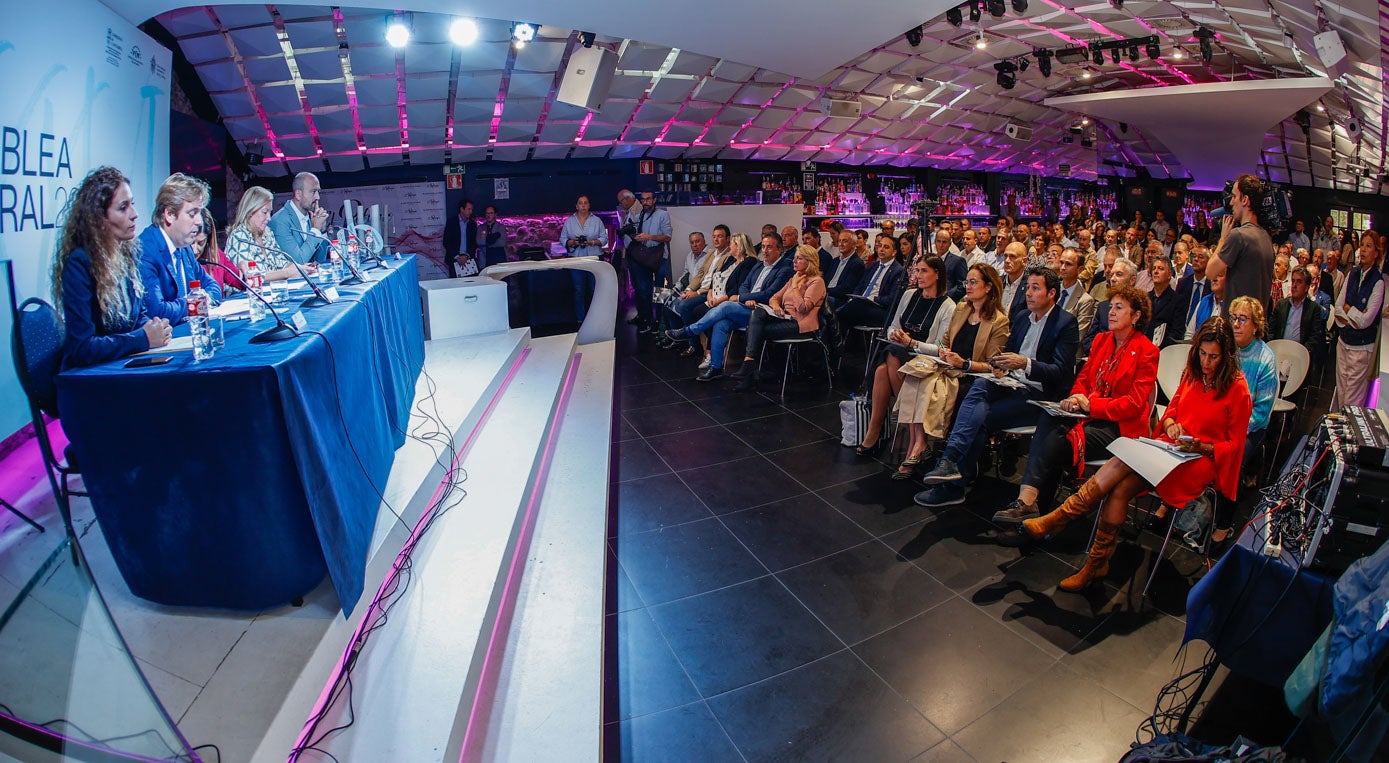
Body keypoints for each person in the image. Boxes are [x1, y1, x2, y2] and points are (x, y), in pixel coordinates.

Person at [1009, 318, 1252, 590]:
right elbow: (1170, 412)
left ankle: (1060, 519)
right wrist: (1171, 425)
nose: (1206, 362)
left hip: (1202, 460)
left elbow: (1235, 446)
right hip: (1173, 448)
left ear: (1227, 356)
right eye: (1202, 354)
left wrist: (1201, 447)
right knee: (1121, 483)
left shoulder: (1237, 387)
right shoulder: (1193, 373)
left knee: (1123, 466)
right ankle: (1095, 562)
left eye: (1214, 357)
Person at [914, 267, 1080, 508]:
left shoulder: (1065, 323)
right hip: (1012, 383)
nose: (1029, 294)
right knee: (981, 385)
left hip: (1040, 394)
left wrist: (1026, 363)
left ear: (1052, 293)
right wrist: (999, 365)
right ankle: (952, 464)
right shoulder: (1023, 317)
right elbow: (1005, 354)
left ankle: (953, 478)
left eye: (1036, 288)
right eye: (1028, 288)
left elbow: (1061, 373)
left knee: (978, 415)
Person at [993, 286, 1159, 525]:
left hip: (1119, 427)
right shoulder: (1102, 340)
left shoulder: (1147, 352)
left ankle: (1032, 509)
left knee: (1056, 444)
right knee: (1049, 420)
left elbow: (1133, 404)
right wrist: (1075, 399)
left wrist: (1091, 405)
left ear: (1136, 316)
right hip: (1087, 415)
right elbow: (1083, 378)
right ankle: (1031, 508)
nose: (1111, 312)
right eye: (1111, 306)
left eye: (1119, 308)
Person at [892, 265, 1011, 477]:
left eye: (974, 282)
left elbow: (994, 365)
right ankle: (918, 442)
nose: (968, 287)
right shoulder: (962, 308)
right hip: (948, 365)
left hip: (971, 374)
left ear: (989, 287)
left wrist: (964, 363)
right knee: (915, 373)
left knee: (927, 382)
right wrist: (945, 353)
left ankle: (920, 445)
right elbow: (944, 341)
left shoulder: (998, 322)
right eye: (967, 282)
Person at [52, 166, 172, 367]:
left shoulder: (127, 253)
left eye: (132, 204)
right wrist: (142, 338)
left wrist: (155, 329)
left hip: (121, 365)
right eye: (123, 207)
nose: (134, 214)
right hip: (93, 379)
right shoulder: (80, 263)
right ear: (99, 218)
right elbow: (82, 349)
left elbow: (137, 318)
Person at [855, 257, 954, 463]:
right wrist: (896, 335)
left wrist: (912, 344)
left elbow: (941, 348)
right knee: (888, 359)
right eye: (917, 270)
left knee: (888, 361)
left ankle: (878, 431)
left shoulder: (948, 306)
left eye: (924, 271)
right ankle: (905, 426)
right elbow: (892, 325)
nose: (918, 276)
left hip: (924, 357)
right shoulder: (909, 295)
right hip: (900, 350)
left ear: (938, 274)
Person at [665, 232, 792, 381]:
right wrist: (745, 299)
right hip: (746, 307)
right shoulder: (759, 265)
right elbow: (744, 285)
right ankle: (716, 367)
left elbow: (768, 294)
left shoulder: (784, 268)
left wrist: (740, 297)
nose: (764, 250)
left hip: (764, 311)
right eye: (763, 247)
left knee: (725, 306)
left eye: (769, 247)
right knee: (721, 323)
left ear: (779, 250)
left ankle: (689, 331)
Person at [1216, 296, 1279, 542]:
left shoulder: (1265, 359)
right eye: (1233, 318)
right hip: (1220, 422)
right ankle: (1174, 506)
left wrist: (1229, 430)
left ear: (1256, 325)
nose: (1237, 324)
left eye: (1243, 319)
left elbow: (1262, 411)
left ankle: (1223, 524)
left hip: (1250, 428)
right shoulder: (1225, 350)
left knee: (1232, 458)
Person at [731, 246, 828, 391]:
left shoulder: (816, 281)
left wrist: (795, 287)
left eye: (799, 258)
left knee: (756, 330)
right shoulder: (794, 277)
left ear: (810, 261)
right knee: (757, 314)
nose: (794, 261)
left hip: (800, 324)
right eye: (795, 257)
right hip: (785, 318)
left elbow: (803, 308)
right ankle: (750, 364)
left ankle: (750, 371)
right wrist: (776, 306)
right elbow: (774, 297)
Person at [137, 173, 221, 324]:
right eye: (192, 214)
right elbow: (157, 312)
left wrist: (200, 300)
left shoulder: (183, 248)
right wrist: (196, 303)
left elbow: (213, 286)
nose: (199, 221)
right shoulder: (145, 250)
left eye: (199, 213)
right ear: (169, 214)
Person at [1205, 174, 1275, 313]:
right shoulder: (1266, 237)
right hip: (1254, 326)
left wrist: (1223, 238)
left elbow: (1210, 272)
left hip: (1236, 325)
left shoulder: (1238, 236)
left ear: (1245, 200)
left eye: (1234, 196)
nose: (1231, 203)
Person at [1332, 231, 1383, 408]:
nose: (1363, 250)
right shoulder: (1352, 274)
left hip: (1361, 350)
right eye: (1362, 245)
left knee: (1352, 401)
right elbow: (1338, 307)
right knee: (1341, 394)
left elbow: (1365, 321)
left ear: (1376, 253)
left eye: (1368, 246)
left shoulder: (1378, 282)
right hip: (1343, 343)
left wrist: (1349, 309)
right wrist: (1353, 313)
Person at [835, 233, 904, 342]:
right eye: (880, 246)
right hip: (861, 304)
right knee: (847, 309)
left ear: (894, 252)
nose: (881, 249)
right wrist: (856, 297)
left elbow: (892, 299)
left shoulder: (898, 271)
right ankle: (842, 347)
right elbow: (860, 286)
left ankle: (838, 347)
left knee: (839, 315)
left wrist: (872, 299)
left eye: (886, 247)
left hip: (880, 309)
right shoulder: (873, 265)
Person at [225, 186, 300, 282]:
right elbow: (251, 277)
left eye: (270, 212)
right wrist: (287, 273)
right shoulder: (239, 236)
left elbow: (282, 263)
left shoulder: (267, 233)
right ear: (250, 211)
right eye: (265, 212)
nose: (269, 218)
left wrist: (299, 268)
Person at [626, 192, 672, 333]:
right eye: (643, 200)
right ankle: (648, 321)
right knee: (644, 291)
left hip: (659, 257)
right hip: (645, 258)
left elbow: (667, 237)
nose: (645, 202)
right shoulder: (640, 216)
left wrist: (649, 236)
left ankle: (661, 322)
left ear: (654, 200)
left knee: (661, 291)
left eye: (648, 199)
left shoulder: (662, 215)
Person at [559, 194, 608, 321]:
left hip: (594, 259)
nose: (583, 205)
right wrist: (572, 242)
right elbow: (562, 239)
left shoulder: (597, 221)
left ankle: (595, 318)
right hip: (576, 259)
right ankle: (580, 319)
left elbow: (604, 238)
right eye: (581, 203)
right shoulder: (569, 221)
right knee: (578, 290)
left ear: (589, 205)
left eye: (586, 203)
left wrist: (591, 242)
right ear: (577, 206)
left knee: (594, 289)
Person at [268, 171, 331, 264]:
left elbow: (319, 261)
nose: (318, 197)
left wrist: (322, 231)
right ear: (298, 194)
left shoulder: (311, 217)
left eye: (318, 191)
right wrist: (315, 230)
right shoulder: (280, 221)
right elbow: (297, 261)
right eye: (313, 191)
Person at [1269, 265, 1327, 364]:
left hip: (1300, 356)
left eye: (1299, 282)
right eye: (1293, 281)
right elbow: (1271, 330)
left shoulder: (1313, 309)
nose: (1294, 285)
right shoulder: (1281, 305)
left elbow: (1314, 336)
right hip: (1279, 352)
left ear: (1306, 288)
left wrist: (1302, 352)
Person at [1082, 258, 1137, 355]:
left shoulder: (1139, 308)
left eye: (1119, 275)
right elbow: (1088, 341)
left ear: (1132, 280)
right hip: (1101, 359)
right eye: (1111, 275)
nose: (1112, 279)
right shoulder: (1103, 307)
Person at [191, 208, 239, 295]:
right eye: (191, 243)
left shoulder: (216, 256)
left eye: (201, 243)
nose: (194, 250)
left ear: (208, 240)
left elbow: (240, 280)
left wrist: (247, 272)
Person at [1056, 248, 1097, 341]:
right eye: (1061, 262)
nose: (1062, 267)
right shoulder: (1052, 290)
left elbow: (1077, 336)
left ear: (1080, 269)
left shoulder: (1085, 300)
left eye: (1068, 264)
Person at [823, 230, 866, 307]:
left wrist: (824, 291)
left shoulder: (857, 264)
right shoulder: (835, 261)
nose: (841, 244)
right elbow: (826, 279)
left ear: (853, 244)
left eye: (845, 241)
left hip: (839, 298)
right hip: (826, 294)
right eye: (839, 241)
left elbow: (846, 289)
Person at [1147, 256, 1182, 346]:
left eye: (1161, 269)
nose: (1156, 271)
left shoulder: (1177, 299)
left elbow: (1177, 331)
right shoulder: (1145, 298)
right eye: (1154, 268)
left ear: (1169, 274)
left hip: (1165, 348)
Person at [1186, 268, 1226, 342]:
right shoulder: (1204, 302)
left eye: (1219, 275)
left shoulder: (1233, 307)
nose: (1214, 279)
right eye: (1213, 275)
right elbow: (1189, 335)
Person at [442, 199, 476, 278]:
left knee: (469, 285)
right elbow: (446, 241)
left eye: (472, 209)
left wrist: (466, 256)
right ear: (462, 209)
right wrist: (457, 257)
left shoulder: (472, 224)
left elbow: (474, 243)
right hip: (454, 260)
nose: (471, 212)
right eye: (469, 209)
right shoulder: (451, 222)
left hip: (468, 260)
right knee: (455, 286)